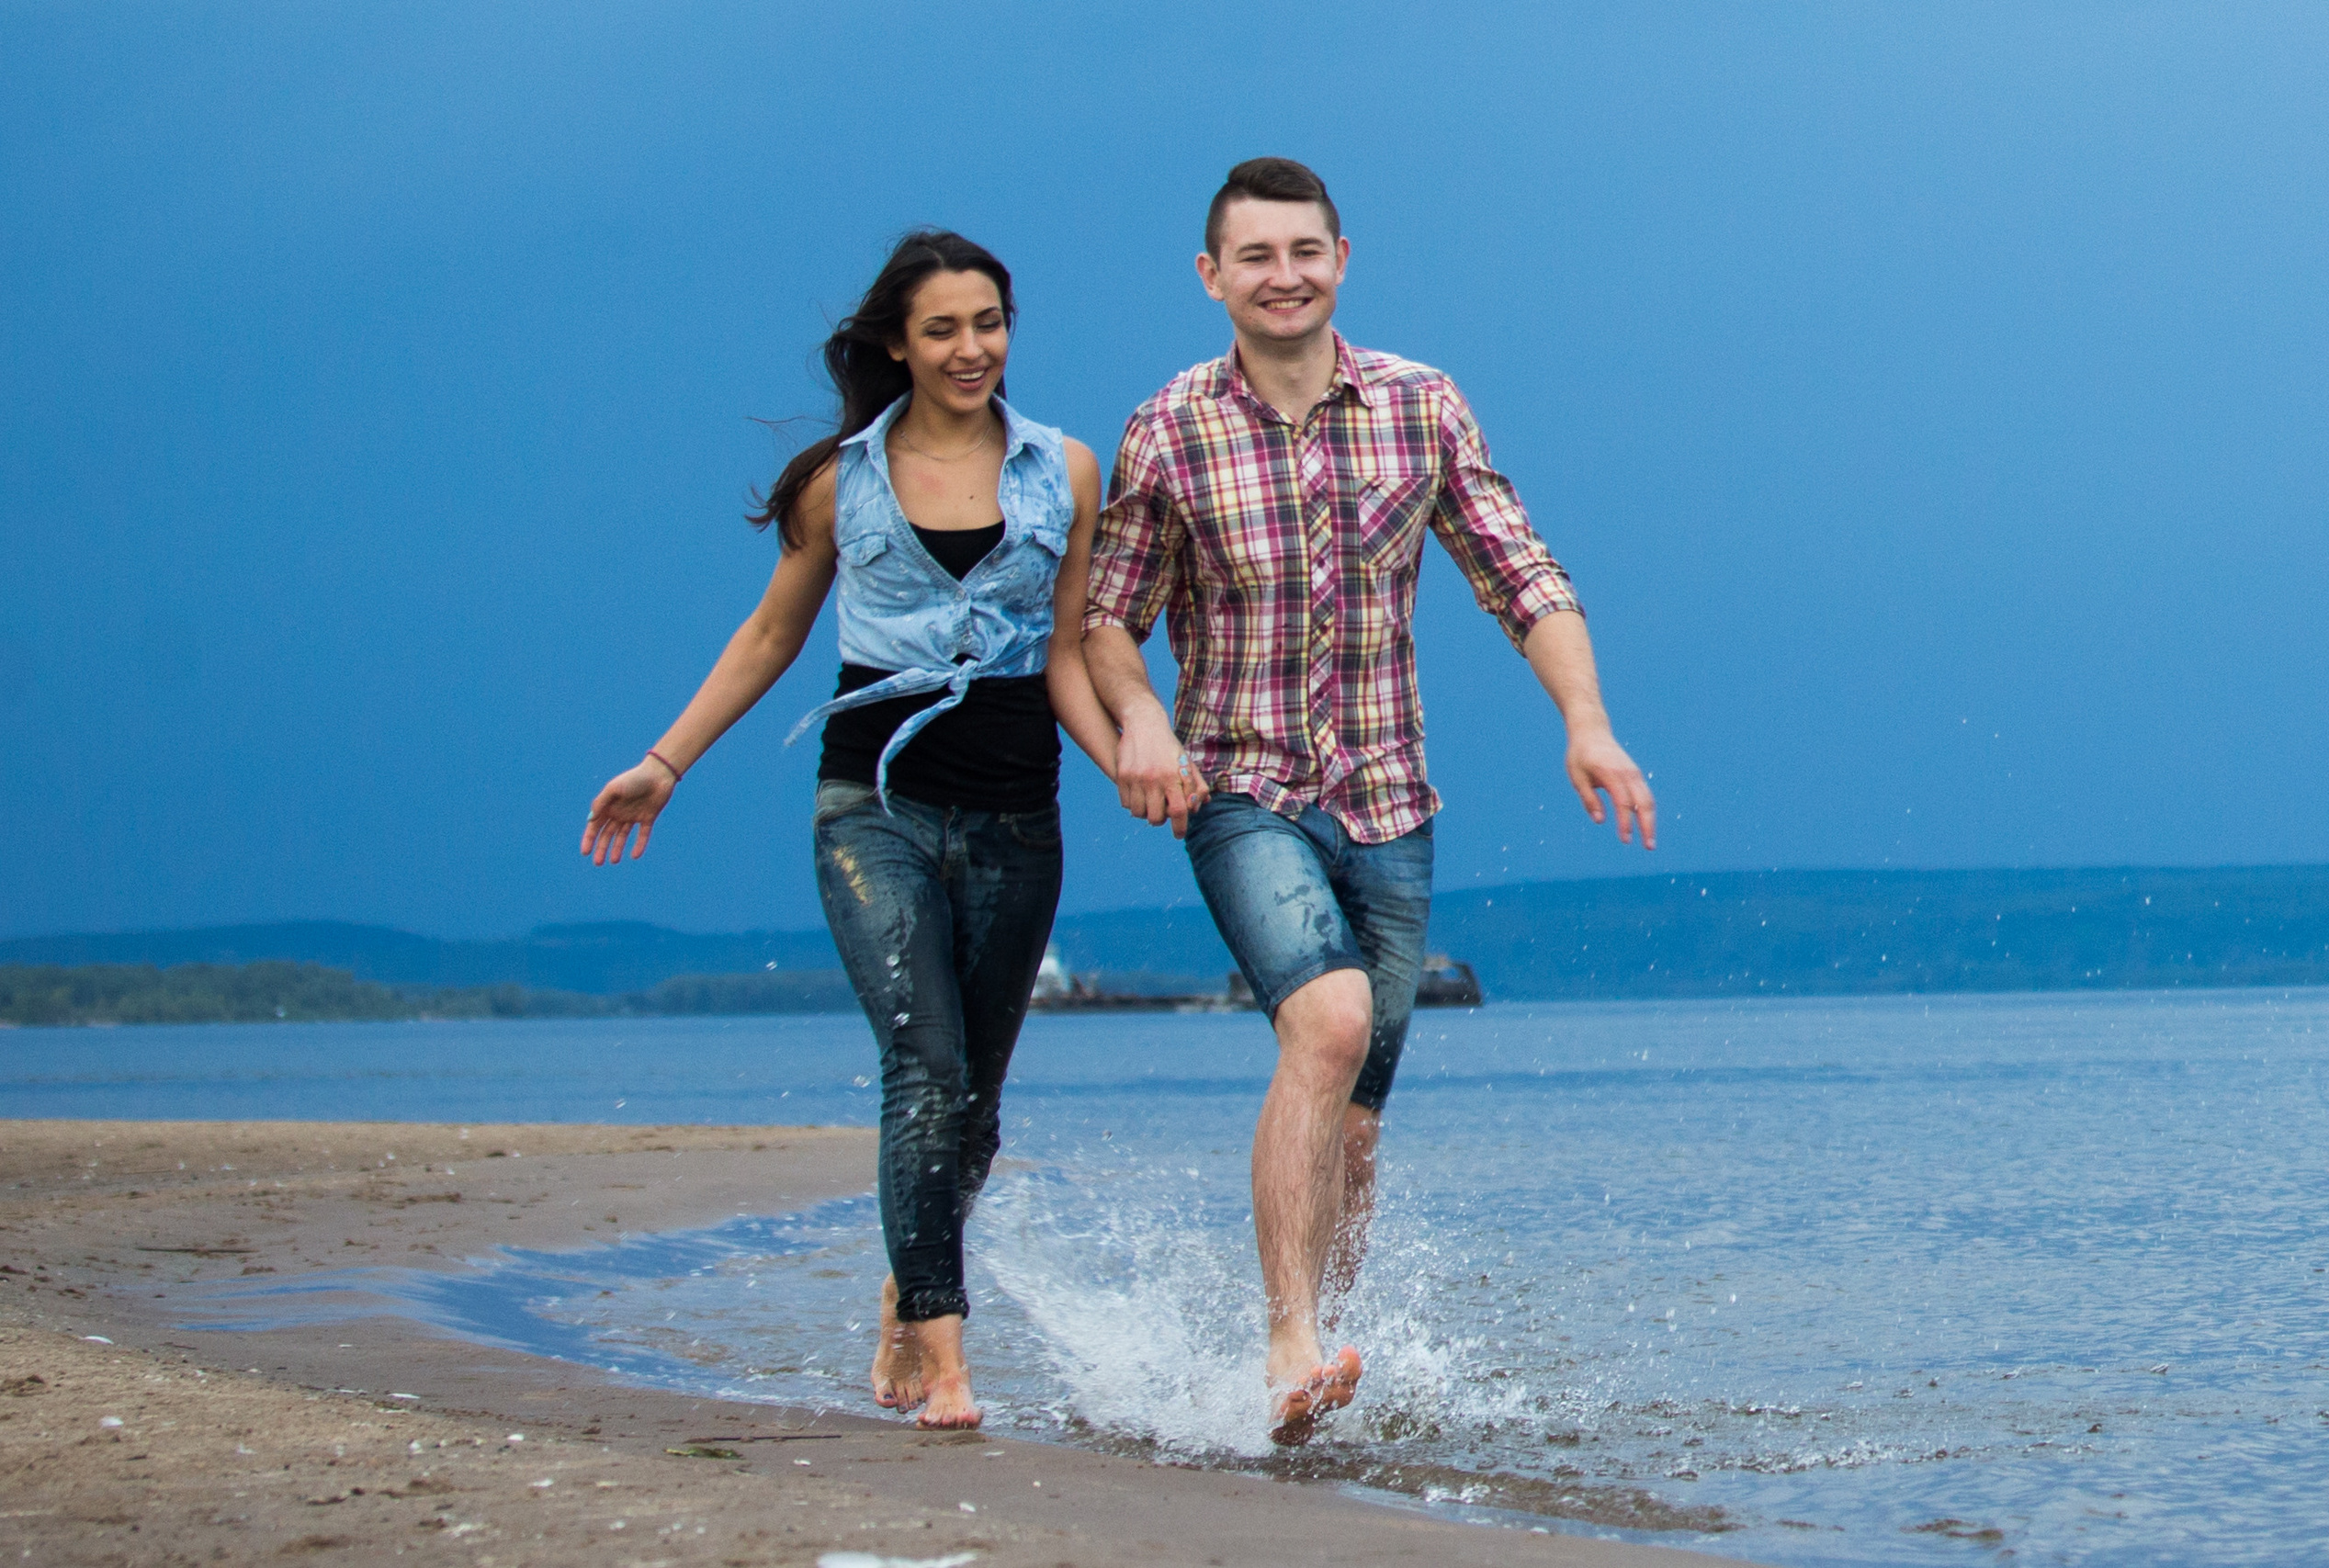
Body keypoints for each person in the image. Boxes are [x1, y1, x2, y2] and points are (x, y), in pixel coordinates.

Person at [1082, 159, 1657, 1445]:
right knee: (1328, 1023)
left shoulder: (1420, 404)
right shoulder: (1169, 427)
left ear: (1343, 256)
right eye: (1255, 256)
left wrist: (1587, 723)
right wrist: (1140, 721)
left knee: (1355, 1131)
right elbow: (1109, 618)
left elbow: (1521, 572)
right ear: (1211, 276)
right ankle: (1286, 1336)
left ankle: (1318, 1376)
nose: (1283, 275)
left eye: (1305, 250)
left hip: (1391, 800)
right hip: (1240, 785)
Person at [581, 230, 1130, 1429]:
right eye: (942, 328)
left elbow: (1076, 653)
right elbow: (773, 634)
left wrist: (1140, 757)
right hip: (870, 811)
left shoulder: (1067, 471)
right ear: (897, 342)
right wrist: (664, 763)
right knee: (924, 1068)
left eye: (988, 322)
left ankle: (904, 1284)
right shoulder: (843, 482)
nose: (970, 347)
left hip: (1016, 821)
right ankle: (948, 1361)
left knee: (972, 1111)